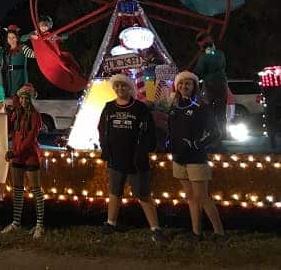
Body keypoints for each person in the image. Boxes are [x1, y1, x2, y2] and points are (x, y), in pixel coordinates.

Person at [98, 73, 167, 243]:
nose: (120, 89)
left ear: (130, 88)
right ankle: (111, 223)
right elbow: (101, 129)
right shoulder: (108, 107)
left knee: (142, 194)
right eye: (117, 86)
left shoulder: (140, 108)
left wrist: (145, 150)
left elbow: (150, 133)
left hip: (136, 160)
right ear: (114, 88)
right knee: (114, 192)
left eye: (124, 86)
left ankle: (155, 229)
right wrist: (105, 147)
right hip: (115, 159)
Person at [168, 71, 225, 241]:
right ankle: (196, 232)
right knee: (191, 197)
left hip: (196, 158)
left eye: (188, 83)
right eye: (181, 83)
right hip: (179, 159)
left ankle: (219, 233)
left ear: (194, 86)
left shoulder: (202, 107)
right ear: (177, 86)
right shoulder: (175, 106)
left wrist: (197, 144)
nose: (184, 86)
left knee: (202, 197)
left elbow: (216, 133)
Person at [2, 84, 45, 239]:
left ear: (30, 99)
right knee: (18, 189)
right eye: (21, 97)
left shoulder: (35, 115)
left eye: (26, 98)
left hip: (30, 155)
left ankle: (40, 224)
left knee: (35, 190)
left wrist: (15, 152)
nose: (23, 100)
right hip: (18, 155)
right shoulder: (17, 114)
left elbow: (30, 138)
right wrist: (8, 114)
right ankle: (16, 222)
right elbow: (8, 129)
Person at [193, 32, 228, 139]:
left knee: (209, 110)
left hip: (210, 84)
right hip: (222, 83)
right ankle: (223, 133)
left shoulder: (205, 56)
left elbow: (199, 70)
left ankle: (213, 132)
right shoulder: (220, 53)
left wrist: (192, 76)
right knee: (221, 110)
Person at [5, 25, 28, 98]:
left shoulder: (22, 48)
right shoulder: (7, 50)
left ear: (17, 38)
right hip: (9, 77)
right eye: (9, 37)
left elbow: (34, 54)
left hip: (19, 77)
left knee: (19, 97)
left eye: (13, 37)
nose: (11, 40)